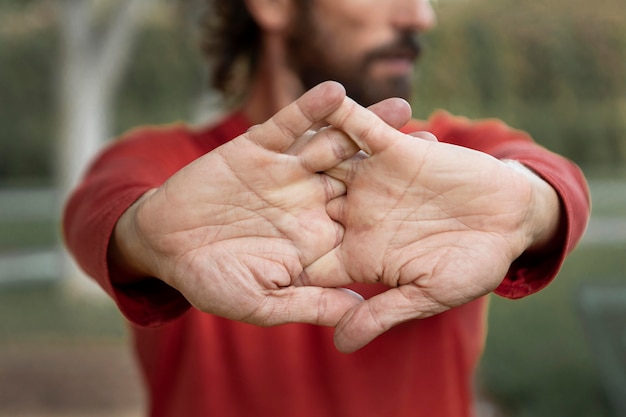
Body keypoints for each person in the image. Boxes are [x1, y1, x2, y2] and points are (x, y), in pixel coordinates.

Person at [63, 0, 590, 416]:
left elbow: (549, 179)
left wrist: (528, 208)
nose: (420, 15)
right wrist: (142, 237)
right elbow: (102, 208)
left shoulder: (454, 157)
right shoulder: (171, 165)